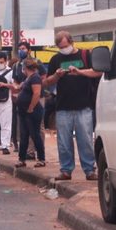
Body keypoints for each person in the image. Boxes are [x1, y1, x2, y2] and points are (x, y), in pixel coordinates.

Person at [44, 31, 102, 181]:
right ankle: (66, 170)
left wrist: (79, 72)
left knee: (86, 140)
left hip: (84, 105)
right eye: (60, 47)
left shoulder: (85, 55)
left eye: (65, 46)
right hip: (63, 106)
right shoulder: (55, 59)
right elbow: (47, 81)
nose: (64, 49)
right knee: (63, 141)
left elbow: (98, 72)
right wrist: (57, 75)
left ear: (71, 42)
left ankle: (90, 170)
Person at [12, 41, 47, 159]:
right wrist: (17, 88)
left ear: (29, 50)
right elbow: (15, 81)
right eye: (19, 49)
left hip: (37, 97)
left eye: (23, 48)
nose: (21, 51)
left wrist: (32, 85)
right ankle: (28, 151)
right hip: (23, 99)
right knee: (24, 127)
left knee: (37, 125)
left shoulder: (36, 63)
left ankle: (38, 150)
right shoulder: (17, 65)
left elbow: (43, 78)